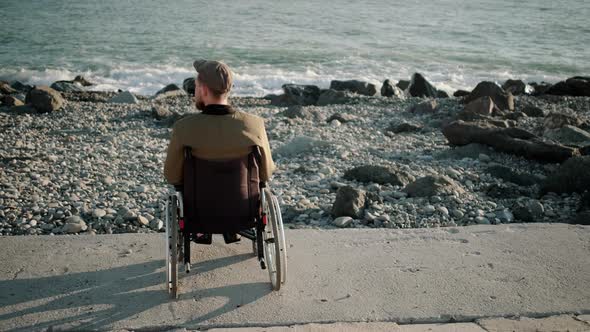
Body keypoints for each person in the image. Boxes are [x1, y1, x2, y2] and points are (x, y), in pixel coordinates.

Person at [163, 59, 276, 243]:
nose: (194, 92)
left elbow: (172, 176)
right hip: (244, 212)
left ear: (204, 90)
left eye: (196, 86)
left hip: (199, 213)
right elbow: (266, 172)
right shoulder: (253, 125)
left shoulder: (184, 128)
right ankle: (232, 229)